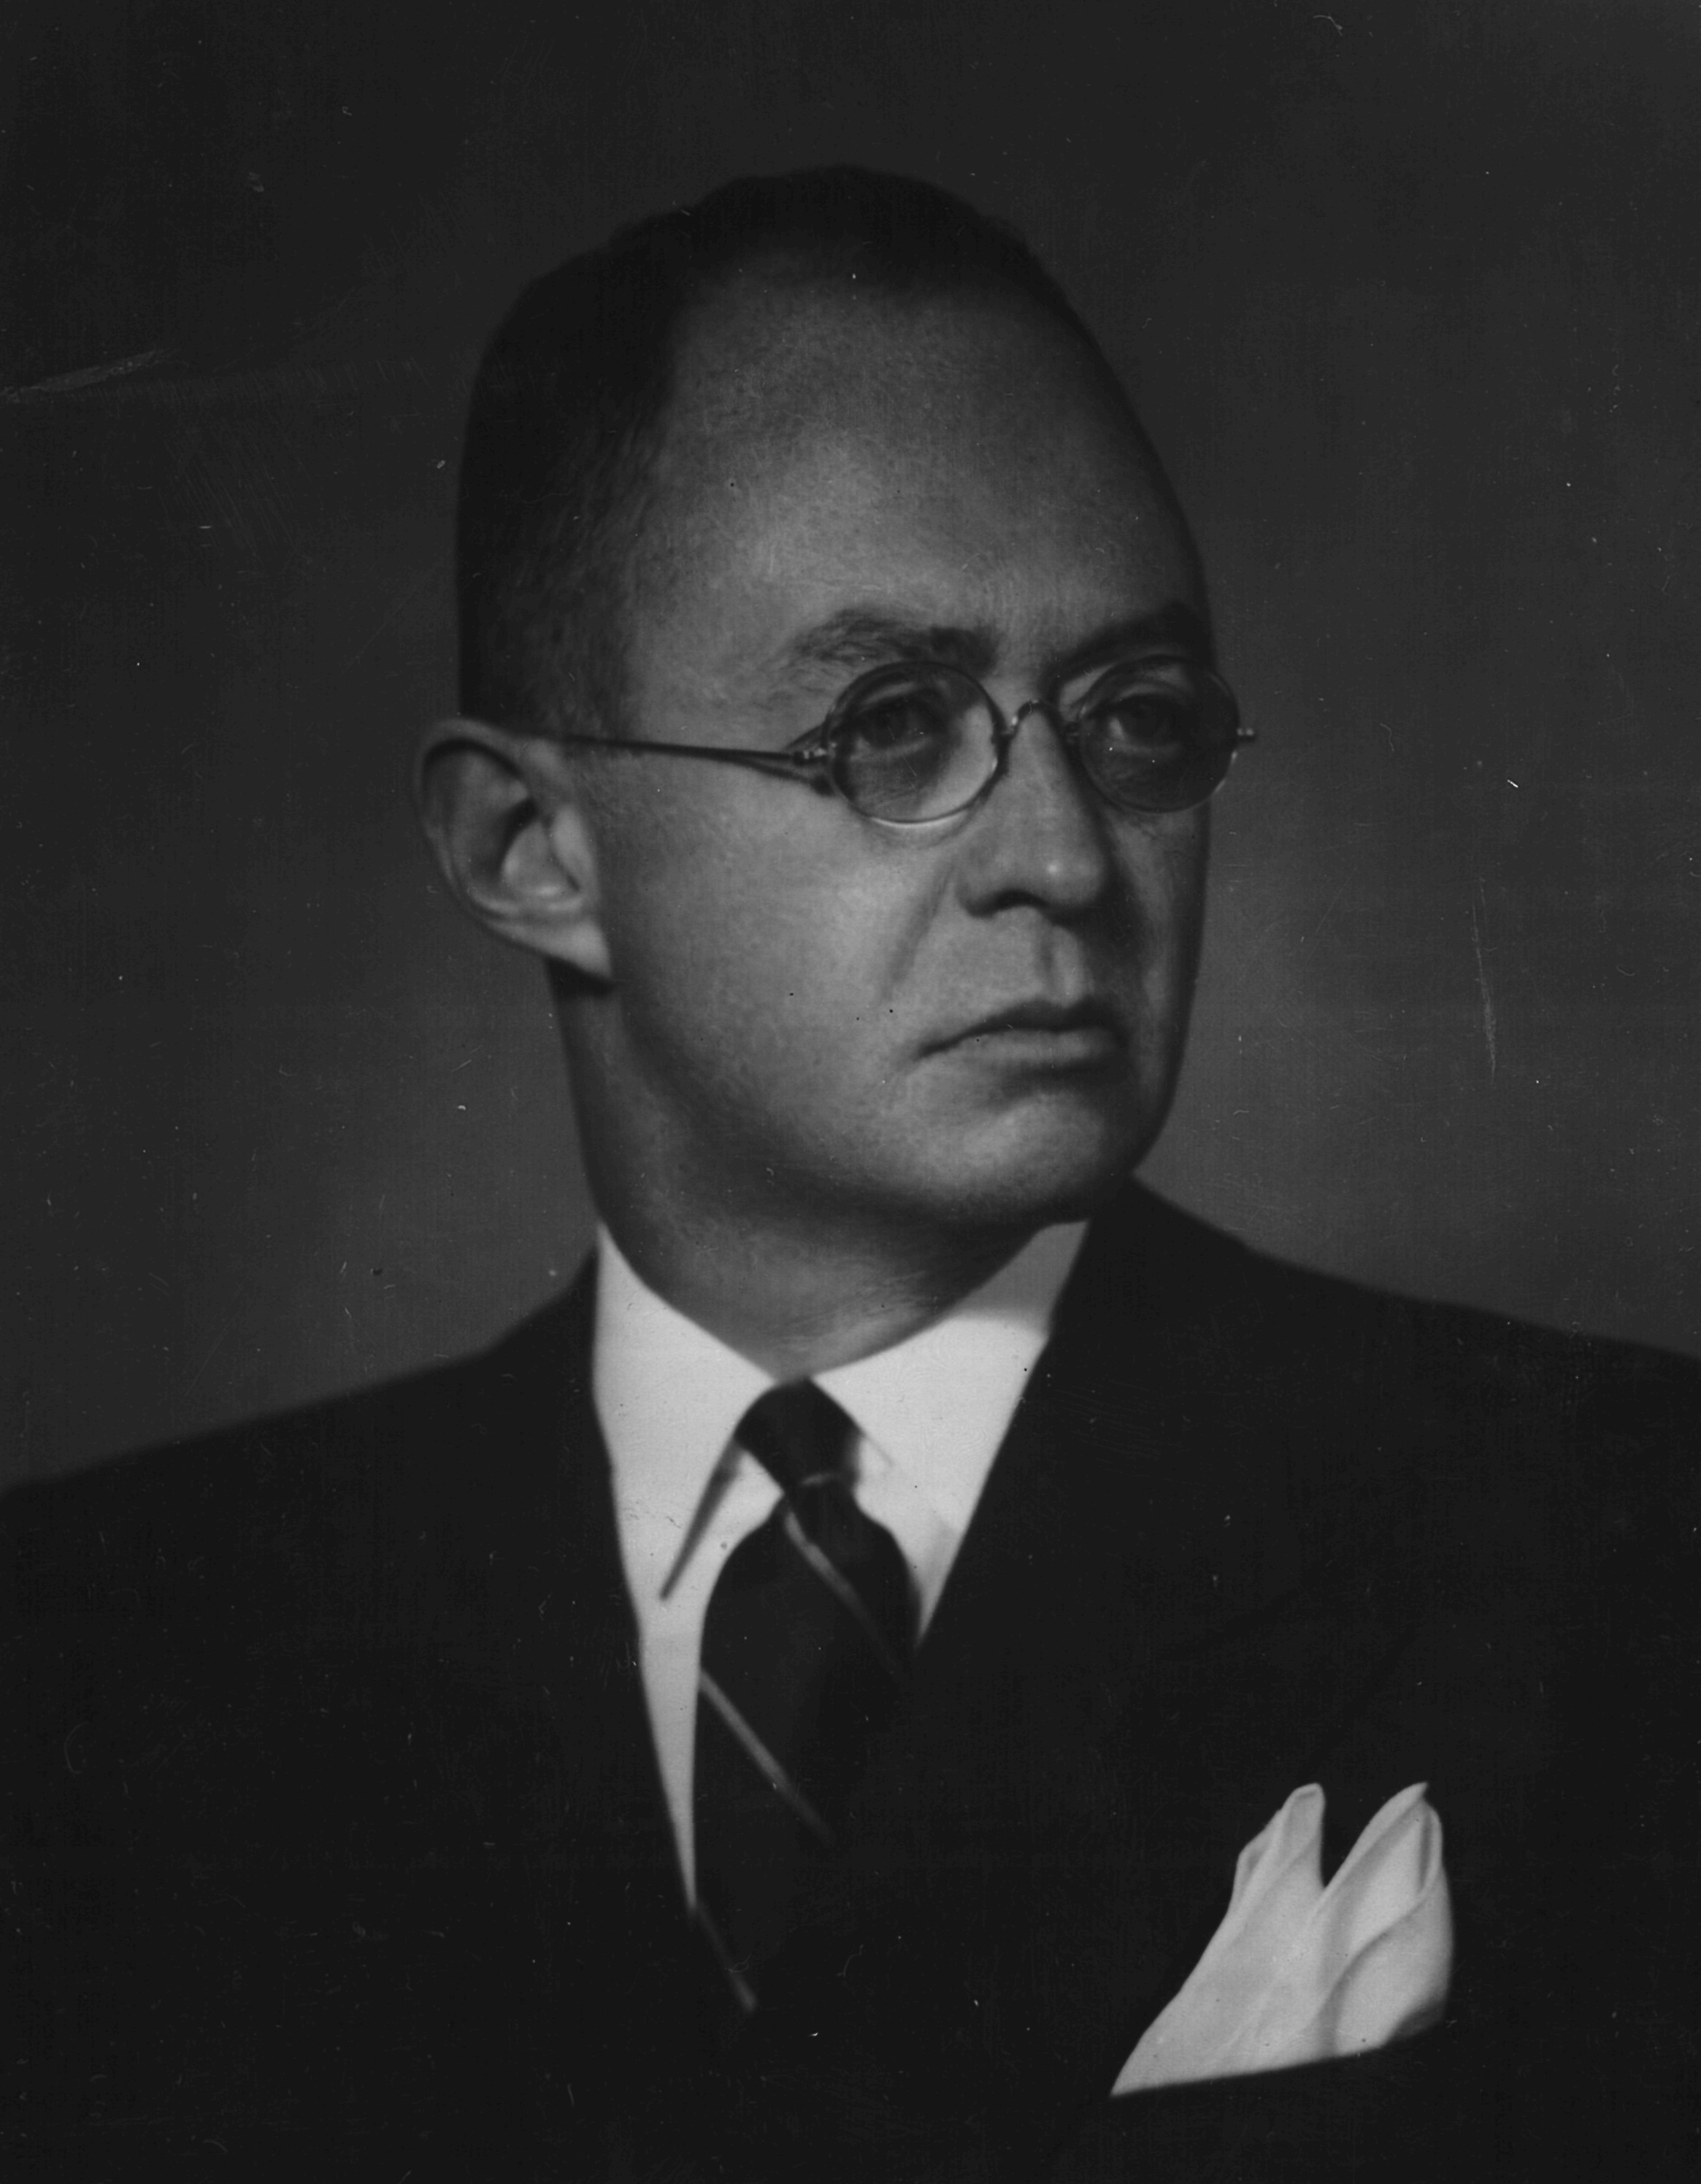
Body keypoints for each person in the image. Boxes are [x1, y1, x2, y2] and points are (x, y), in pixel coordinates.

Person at [4, 168, 1697, 2183]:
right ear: (528, 850)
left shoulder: (1625, 1546)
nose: (1063, 857)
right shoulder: (91, 1655)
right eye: (889, 727)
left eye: (1140, 718)